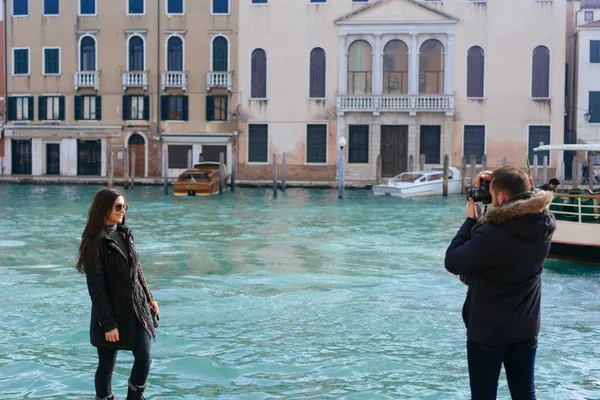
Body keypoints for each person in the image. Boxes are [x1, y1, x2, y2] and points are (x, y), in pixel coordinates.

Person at [445, 166, 556, 399]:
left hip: (489, 330)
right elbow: (523, 191)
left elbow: (454, 261)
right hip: (526, 325)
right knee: (525, 393)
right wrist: (497, 177)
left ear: (502, 197)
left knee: (484, 395)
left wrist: (469, 221)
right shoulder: (545, 221)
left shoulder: (493, 233)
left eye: (492, 192)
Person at [76, 188, 159, 400]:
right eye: (118, 207)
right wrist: (109, 323)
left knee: (144, 356)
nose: (123, 211)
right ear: (104, 209)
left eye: (124, 206)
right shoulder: (93, 244)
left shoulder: (125, 234)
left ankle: (135, 396)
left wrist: (149, 299)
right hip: (110, 311)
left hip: (136, 306)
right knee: (106, 365)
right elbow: (96, 288)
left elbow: (137, 269)